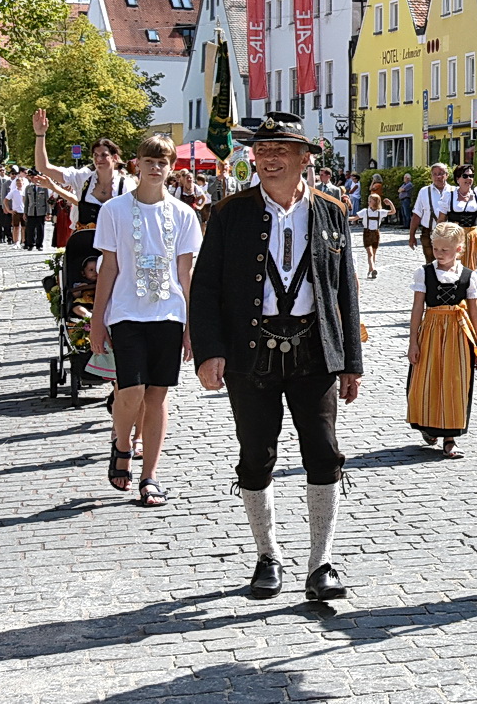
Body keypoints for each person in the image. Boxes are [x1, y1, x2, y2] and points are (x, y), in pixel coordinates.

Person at [188, 111, 364, 601]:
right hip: (251, 351)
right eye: (262, 151)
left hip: (315, 348)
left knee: (324, 453)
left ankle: (320, 563)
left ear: (304, 159)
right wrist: (208, 352)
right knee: (255, 455)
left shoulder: (331, 210)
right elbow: (204, 290)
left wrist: (351, 360)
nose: (268, 158)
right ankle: (267, 555)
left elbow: (344, 289)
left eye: (279, 151)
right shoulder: (229, 213)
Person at [89, 135, 202, 508]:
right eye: (150, 161)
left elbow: (186, 274)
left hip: (168, 313)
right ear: (136, 163)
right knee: (131, 390)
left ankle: (149, 475)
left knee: (157, 396)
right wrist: (97, 320)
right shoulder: (115, 211)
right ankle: (122, 442)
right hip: (126, 313)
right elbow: (109, 268)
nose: (156, 168)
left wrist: (191, 325)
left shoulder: (184, 214)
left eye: (163, 162)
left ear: (172, 168)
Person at [407, 221, 477, 459]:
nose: (439, 254)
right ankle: (429, 425)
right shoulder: (424, 273)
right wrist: (413, 341)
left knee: (455, 381)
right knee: (428, 378)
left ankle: (450, 438)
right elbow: (417, 308)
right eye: (436, 249)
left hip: (459, 333)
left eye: (445, 250)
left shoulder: (468, 276)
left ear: (459, 249)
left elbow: (474, 312)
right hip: (431, 330)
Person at [32, 109, 134, 229]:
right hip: (84, 243)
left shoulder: (127, 184)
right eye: (95, 155)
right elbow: (43, 167)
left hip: (115, 244)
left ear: (115, 158)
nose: (98, 159)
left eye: (104, 155)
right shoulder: (83, 177)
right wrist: (40, 135)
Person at [437, 165, 477, 271]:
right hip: (454, 236)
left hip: (472, 236)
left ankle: (471, 286)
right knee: (452, 265)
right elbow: (441, 220)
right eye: (465, 176)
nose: (469, 179)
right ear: (457, 179)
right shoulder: (449, 195)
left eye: (471, 176)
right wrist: (438, 239)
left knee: (472, 266)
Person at [409, 164, 450, 260]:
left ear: (447, 175)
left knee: (448, 263)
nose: (438, 177)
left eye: (441, 174)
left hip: (449, 234)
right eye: (434, 174)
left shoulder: (454, 191)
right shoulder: (424, 191)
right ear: (431, 176)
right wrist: (412, 236)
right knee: (430, 264)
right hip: (428, 232)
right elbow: (417, 215)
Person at [352, 193, 389, 279]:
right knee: (370, 253)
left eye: (370, 201)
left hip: (376, 233)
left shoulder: (380, 212)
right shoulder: (365, 211)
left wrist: (390, 203)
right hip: (367, 233)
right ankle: (373, 269)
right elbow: (354, 218)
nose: (368, 202)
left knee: (373, 254)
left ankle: (370, 270)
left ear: (375, 202)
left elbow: (393, 211)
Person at [22, 173, 51, 251]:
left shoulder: (43, 188)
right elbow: (26, 201)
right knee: (30, 229)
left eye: (36, 179)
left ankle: (39, 244)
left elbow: (47, 200)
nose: (35, 180)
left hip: (40, 211)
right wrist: (25, 212)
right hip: (31, 211)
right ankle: (30, 244)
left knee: (40, 229)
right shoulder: (28, 188)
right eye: (33, 179)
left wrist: (48, 212)